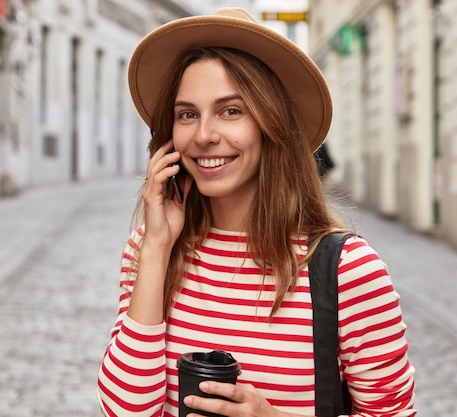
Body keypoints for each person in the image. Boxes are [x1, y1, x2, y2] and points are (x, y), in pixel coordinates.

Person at [97, 8, 415, 417]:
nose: (204, 135)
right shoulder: (149, 250)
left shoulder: (347, 271)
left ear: (272, 125)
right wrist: (157, 247)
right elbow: (125, 411)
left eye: (231, 111)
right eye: (187, 114)